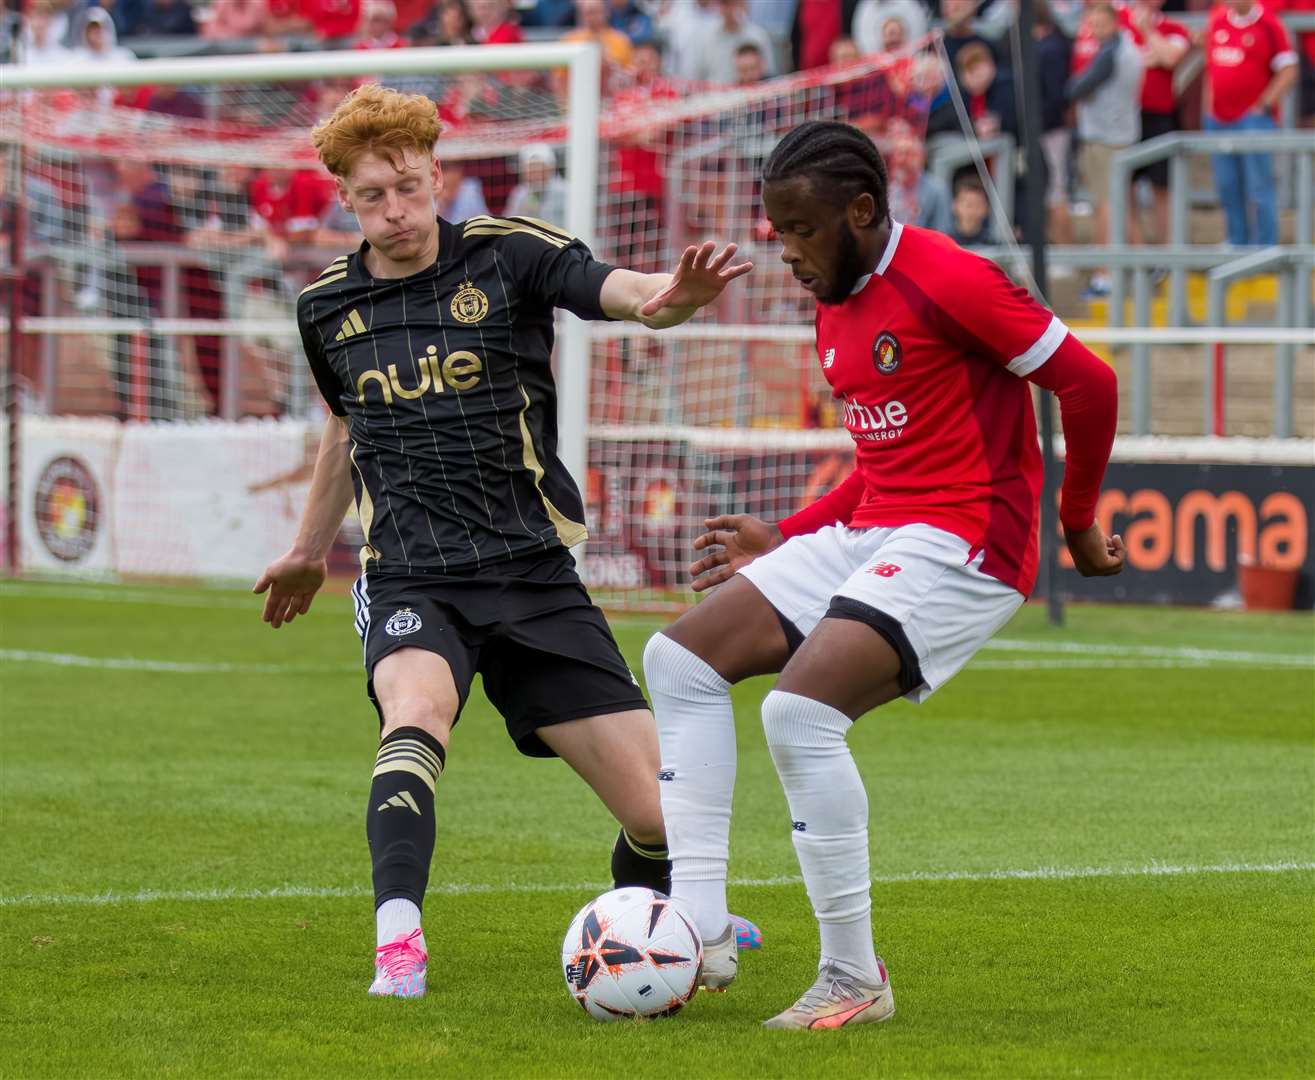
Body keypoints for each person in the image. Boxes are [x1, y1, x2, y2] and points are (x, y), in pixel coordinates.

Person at [253, 85, 758, 999]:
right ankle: (398, 942)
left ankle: (652, 928)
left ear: (438, 174)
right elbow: (343, 431)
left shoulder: (506, 255)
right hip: (413, 570)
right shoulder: (327, 306)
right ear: (347, 201)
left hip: (532, 573)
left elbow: (619, 289)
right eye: (374, 196)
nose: (396, 210)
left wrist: (669, 300)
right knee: (415, 717)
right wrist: (304, 548)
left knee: (658, 816)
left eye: (409, 186)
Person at [641, 120, 1124, 1030]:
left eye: (800, 231)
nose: (785, 252)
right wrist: (782, 534)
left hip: (972, 538)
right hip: (881, 527)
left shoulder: (946, 276)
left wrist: (1077, 519)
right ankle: (696, 929)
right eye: (776, 231)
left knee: (799, 712)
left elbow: (1088, 383)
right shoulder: (835, 293)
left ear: (860, 210)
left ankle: (853, 980)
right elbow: (884, 460)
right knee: (677, 661)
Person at [1203, 0, 1299, 247]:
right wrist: (1209, 111)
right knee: (1227, 186)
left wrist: (1264, 104)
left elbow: (1288, 68)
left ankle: (1265, 247)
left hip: (1252, 120)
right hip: (1220, 119)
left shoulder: (1268, 23)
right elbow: (1210, 68)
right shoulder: (1218, 21)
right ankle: (1236, 242)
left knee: (1259, 186)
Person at [1066, 1, 1142, 299]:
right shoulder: (1126, 48)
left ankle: (1105, 274)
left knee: (1106, 208)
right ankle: (1144, 262)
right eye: (1092, 24)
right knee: (1124, 206)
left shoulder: (1111, 54)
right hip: (1120, 135)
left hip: (1106, 139)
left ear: (1113, 21)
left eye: (1099, 23)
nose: (1095, 30)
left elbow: (1074, 88)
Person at [1124, 0, 1191, 245]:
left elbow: (1171, 57)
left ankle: (1166, 252)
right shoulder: (1119, 20)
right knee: (1122, 189)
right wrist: (1150, 57)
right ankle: (1138, 252)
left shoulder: (1174, 28)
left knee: (1162, 189)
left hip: (1159, 118)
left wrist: (1147, 33)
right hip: (1125, 117)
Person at [504, 142, 570, 226]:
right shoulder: (520, 193)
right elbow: (509, 222)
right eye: (530, 167)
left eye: (539, 166)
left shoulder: (565, 190)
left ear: (550, 168)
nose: (534, 172)